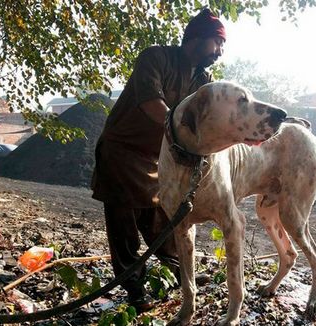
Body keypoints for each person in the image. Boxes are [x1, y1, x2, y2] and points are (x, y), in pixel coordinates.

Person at [91, 9, 226, 312]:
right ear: (196, 38)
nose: (219, 52)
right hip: (122, 152)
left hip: (156, 160)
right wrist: (184, 137)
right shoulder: (155, 58)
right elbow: (153, 104)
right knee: (124, 229)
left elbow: (210, 118)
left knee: (162, 224)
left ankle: (181, 275)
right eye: (217, 43)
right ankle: (134, 290)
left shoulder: (202, 80)